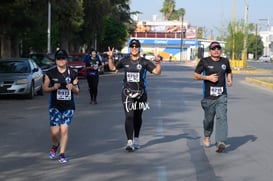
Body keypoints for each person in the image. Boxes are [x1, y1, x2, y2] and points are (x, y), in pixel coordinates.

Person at [107, 39, 161, 152]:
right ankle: (129, 141)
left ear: (139, 48)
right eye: (132, 46)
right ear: (129, 48)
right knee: (129, 116)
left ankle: (136, 138)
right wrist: (110, 58)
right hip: (127, 93)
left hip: (141, 94)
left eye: (136, 46)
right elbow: (112, 68)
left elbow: (157, 72)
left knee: (137, 117)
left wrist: (157, 61)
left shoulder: (144, 62)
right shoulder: (125, 60)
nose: (134, 48)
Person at [193, 41, 233, 153]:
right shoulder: (204, 61)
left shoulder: (225, 61)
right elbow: (195, 76)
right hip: (208, 97)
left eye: (218, 48)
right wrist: (208, 78)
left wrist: (229, 79)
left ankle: (220, 141)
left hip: (222, 96)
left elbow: (228, 72)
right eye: (214, 48)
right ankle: (207, 135)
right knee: (208, 120)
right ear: (210, 50)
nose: (216, 50)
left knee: (222, 117)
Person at [43, 49, 80, 163]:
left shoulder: (72, 73)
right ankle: (55, 145)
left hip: (68, 106)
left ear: (66, 60)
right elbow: (45, 88)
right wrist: (53, 88)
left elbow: (77, 90)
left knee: (64, 130)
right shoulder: (50, 73)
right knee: (54, 132)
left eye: (63, 58)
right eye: (58, 58)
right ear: (56, 60)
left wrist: (72, 88)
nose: (61, 60)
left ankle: (62, 154)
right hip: (55, 105)